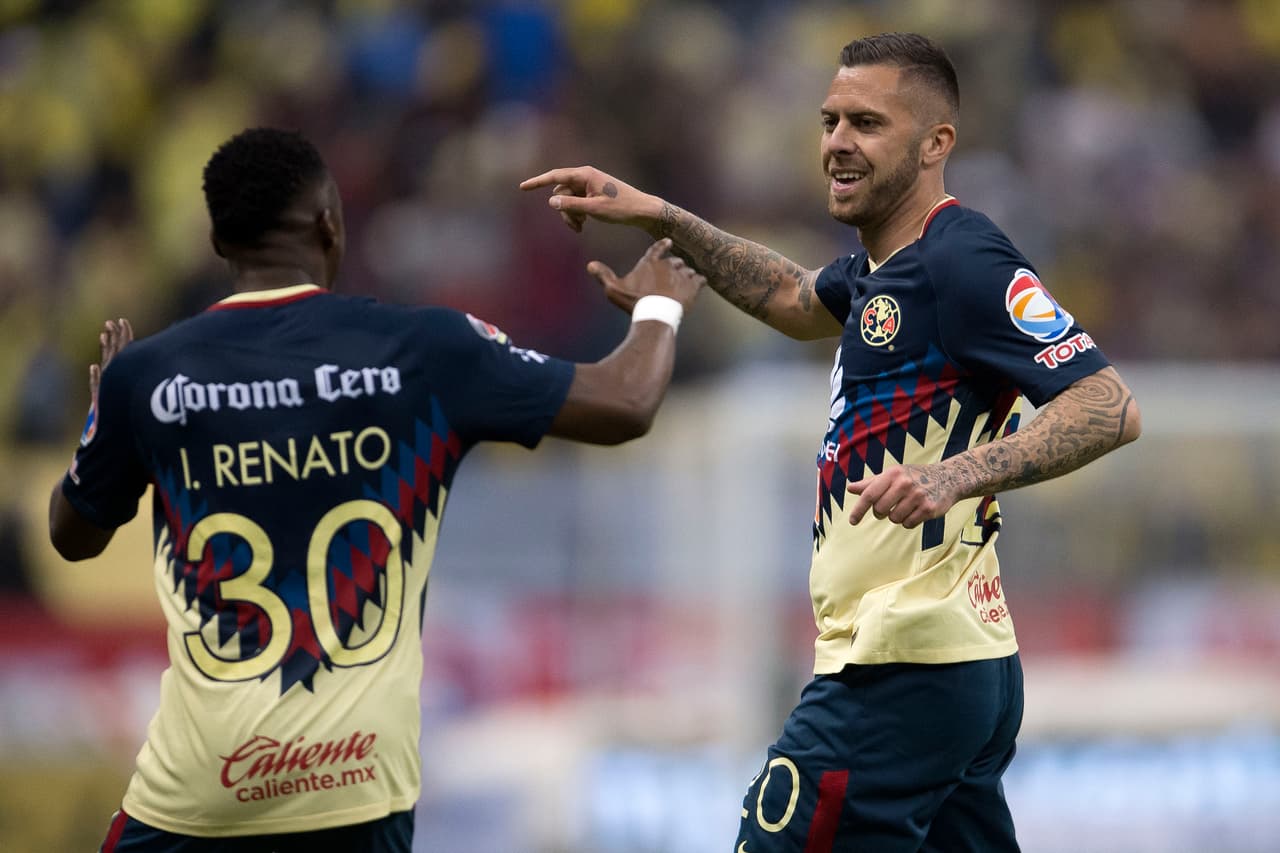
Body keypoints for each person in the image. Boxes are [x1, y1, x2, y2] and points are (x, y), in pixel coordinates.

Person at [521, 31, 1141, 853]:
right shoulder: (878, 270)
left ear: (935, 144)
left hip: (903, 665)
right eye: (829, 121)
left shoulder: (965, 257)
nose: (838, 143)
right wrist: (660, 214)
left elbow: (1108, 402)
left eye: (867, 124)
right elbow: (788, 293)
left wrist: (956, 473)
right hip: (953, 667)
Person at [48, 127, 704, 852]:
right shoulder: (424, 350)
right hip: (354, 792)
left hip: (198, 795)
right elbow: (625, 403)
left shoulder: (148, 375)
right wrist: (658, 306)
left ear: (218, 243)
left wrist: (103, 415)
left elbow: (73, 534)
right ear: (330, 223)